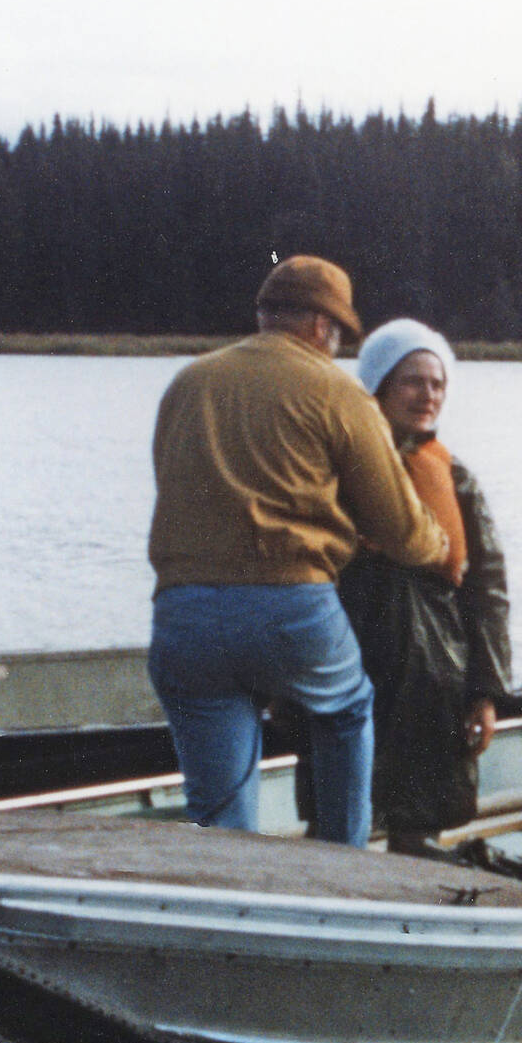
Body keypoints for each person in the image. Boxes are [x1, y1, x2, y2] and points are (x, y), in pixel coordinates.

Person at [146, 256, 447, 846]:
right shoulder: (338, 392)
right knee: (348, 709)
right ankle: (341, 861)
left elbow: (174, 484)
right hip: (290, 608)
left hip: (183, 614)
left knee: (220, 811)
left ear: (263, 316)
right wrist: (438, 544)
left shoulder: (189, 382)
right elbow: (403, 531)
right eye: (337, 336)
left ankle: (229, 899)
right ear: (320, 326)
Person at [328, 317, 512, 855]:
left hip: (435, 675)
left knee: (419, 823)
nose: (427, 395)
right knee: (336, 820)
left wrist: (485, 692)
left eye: (437, 384)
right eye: (412, 380)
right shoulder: (334, 468)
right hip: (350, 662)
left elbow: (489, 592)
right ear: (379, 386)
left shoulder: (456, 479)